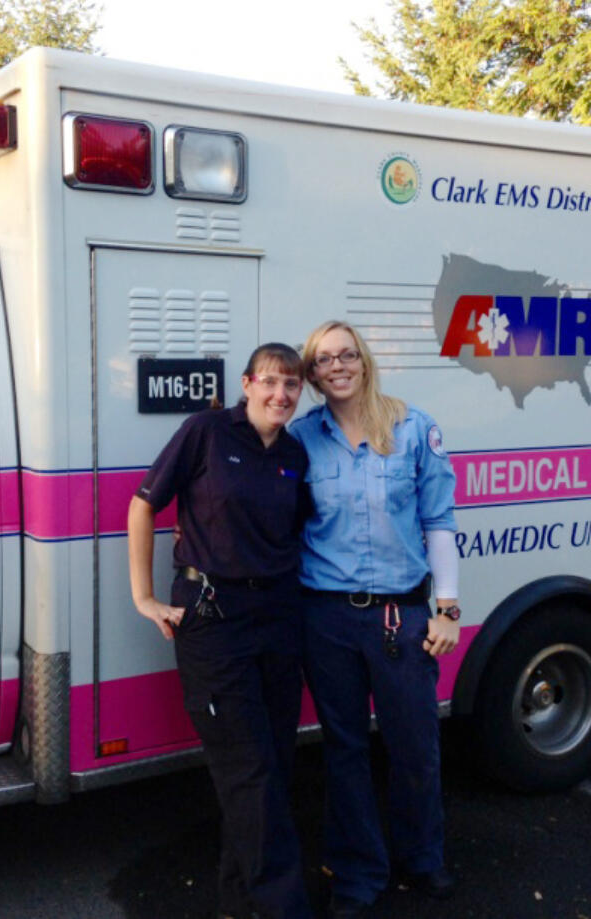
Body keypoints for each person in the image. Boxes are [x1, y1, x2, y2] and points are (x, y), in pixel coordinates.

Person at [127, 343, 313, 919]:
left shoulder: (295, 453)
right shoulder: (207, 431)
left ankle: (238, 900)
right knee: (248, 768)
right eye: (271, 382)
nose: (281, 395)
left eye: (292, 386)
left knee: (273, 762)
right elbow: (142, 505)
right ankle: (286, 907)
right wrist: (144, 597)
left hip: (279, 615)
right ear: (249, 382)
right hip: (213, 619)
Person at [289, 320, 461, 919]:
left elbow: (439, 520)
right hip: (327, 618)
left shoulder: (414, 428)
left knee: (415, 743)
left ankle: (423, 855)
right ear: (311, 374)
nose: (337, 366)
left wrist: (447, 608)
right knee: (344, 750)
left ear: (364, 359)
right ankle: (358, 874)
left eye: (346, 354)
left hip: (401, 616)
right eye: (323, 360)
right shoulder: (302, 439)